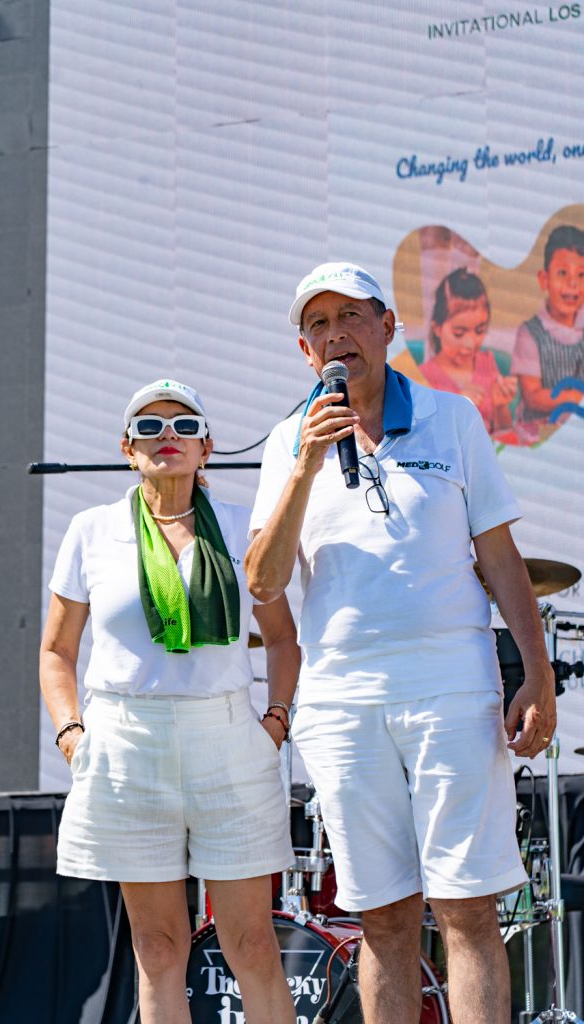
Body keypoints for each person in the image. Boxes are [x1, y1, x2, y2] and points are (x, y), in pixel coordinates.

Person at [244, 262, 556, 1024]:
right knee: (381, 917)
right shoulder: (287, 442)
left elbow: (499, 557)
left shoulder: (453, 418)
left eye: (350, 316)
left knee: (467, 908)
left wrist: (537, 674)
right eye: (318, 325)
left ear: (387, 327)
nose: (335, 335)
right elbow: (262, 580)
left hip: (452, 688)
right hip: (341, 704)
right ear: (303, 350)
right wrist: (305, 465)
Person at [40, 378, 299, 1024]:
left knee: (253, 944)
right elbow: (56, 651)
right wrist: (72, 734)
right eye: (149, 427)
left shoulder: (241, 527)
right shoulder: (92, 530)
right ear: (127, 449)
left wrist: (274, 722)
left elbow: (283, 639)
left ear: (206, 446)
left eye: (184, 426)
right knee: (157, 948)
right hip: (127, 742)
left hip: (228, 739)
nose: (167, 438)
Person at [420, 267, 517, 434]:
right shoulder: (424, 376)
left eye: (480, 331)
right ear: (437, 329)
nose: (470, 344)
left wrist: (500, 406)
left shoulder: (487, 362)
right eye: (459, 333)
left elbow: (504, 433)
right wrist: (456, 405)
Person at [513, 224, 584, 424]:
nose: (573, 283)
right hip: (539, 428)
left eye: (581, 275)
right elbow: (532, 396)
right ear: (544, 280)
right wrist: (575, 398)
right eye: (562, 273)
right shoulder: (530, 333)